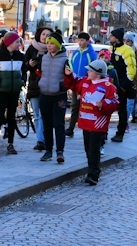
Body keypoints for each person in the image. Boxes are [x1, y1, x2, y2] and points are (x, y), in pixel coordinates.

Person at [64, 59, 119, 186]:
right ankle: (93, 169)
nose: (87, 72)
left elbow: (115, 103)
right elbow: (72, 84)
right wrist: (68, 74)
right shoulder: (85, 82)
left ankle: (93, 174)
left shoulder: (108, 87)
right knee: (88, 149)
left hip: (98, 124)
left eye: (90, 70)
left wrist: (103, 104)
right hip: (85, 122)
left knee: (94, 150)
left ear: (98, 74)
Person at [0, 32, 25, 156]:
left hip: (14, 91)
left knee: (11, 117)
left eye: (19, 42)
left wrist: (22, 81)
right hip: (1, 92)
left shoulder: (21, 57)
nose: (19, 44)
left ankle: (11, 143)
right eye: (16, 42)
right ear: (9, 43)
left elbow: (24, 71)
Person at [38, 32, 69, 163]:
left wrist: (62, 86)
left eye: (52, 44)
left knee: (59, 124)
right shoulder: (44, 58)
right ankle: (48, 150)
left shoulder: (65, 59)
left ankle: (60, 151)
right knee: (47, 124)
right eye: (48, 43)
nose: (49, 46)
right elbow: (40, 73)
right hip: (44, 94)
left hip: (58, 96)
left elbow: (70, 77)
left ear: (57, 44)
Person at [24, 26, 51, 151]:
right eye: (43, 34)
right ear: (39, 35)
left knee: (45, 113)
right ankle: (40, 140)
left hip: (48, 85)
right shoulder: (32, 48)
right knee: (36, 114)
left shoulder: (53, 49)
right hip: (34, 85)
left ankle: (45, 139)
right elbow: (24, 67)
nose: (45, 36)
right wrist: (29, 64)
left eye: (48, 34)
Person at [66, 32, 97, 138]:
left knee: (87, 106)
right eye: (79, 40)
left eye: (82, 40)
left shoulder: (92, 54)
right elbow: (71, 65)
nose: (80, 42)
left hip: (87, 84)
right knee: (74, 106)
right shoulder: (75, 53)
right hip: (76, 83)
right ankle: (71, 128)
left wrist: (88, 81)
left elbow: (93, 69)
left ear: (87, 41)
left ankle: (89, 128)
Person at [108, 28, 136, 142]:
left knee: (122, 111)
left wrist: (124, 86)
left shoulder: (127, 50)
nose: (109, 37)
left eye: (112, 35)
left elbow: (132, 70)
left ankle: (120, 133)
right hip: (109, 85)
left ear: (117, 38)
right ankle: (103, 133)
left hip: (121, 86)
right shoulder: (110, 49)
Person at [123, 32, 137, 123]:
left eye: (128, 41)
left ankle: (126, 122)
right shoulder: (121, 51)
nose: (126, 43)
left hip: (133, 82)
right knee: (123, 104)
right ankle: (124, 121)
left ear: (132, 42)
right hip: (123, 81)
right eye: (124, 40)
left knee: (130, 104)